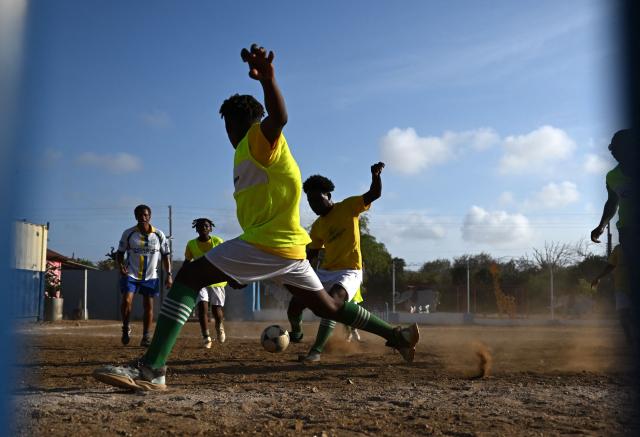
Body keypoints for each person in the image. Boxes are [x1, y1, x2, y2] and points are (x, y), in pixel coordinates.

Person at [93, 44, 419, 391]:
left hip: (270, 242)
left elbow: (278, 119)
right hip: (287, 247)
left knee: (190, 275)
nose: (226, 133)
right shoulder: (247, 153)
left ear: (234, 123)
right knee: (327, 306)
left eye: (226, 125)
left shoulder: (256, 139)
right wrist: (239, 268)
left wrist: (268, 79)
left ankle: (152, 368)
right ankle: (396, 335)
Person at [288, 163, 385, 362]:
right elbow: (312, 255)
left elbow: (374, 193)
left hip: (349, 271)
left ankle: (315, 352)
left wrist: (375, 176)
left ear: (329, 196)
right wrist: (302, 277)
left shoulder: (348, 207)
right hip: (326, 272)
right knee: (296, 301)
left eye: (316, 200)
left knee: (333, 301)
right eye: (309, 202)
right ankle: (296, 333)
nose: (313, 205)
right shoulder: (317, 226)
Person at [116, 204, 172, 347]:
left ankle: (146, 336)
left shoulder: (159, 234)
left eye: (145, 215)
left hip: (150, 276)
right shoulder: (128, 233)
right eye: (140, 215)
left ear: (150, 216)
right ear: (135, 216)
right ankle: (126, 327)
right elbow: (120, 253)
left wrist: (169, 274)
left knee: (148, 305)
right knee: (127, 301)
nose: (143, 217)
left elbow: (166, 256)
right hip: (131, 274)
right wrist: (120, 265)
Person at [184, 218, 228, 348]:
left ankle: (219, 326)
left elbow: (224, 259)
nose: (203, 228)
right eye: (200, 226)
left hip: (217, 280)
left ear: (210, 228)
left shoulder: (218, 242)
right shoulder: (191, 244)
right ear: (196, 229)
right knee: (202, 307)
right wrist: (182, 276)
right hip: (200, 279)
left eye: (206, 226)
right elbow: (187, 262)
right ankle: (206, 337)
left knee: (216, 309)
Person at [591, 129, 634, 247]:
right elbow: (612, 202)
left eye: (617, 148)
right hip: (627, 231)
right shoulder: (612, 176)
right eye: (612, 148)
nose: (613, 152)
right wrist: (602, 226)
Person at [592, 244, 632, 344]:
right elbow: (610, 266)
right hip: (621, 287)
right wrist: (598, 277)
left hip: (633, 287)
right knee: (623, 315)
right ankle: (629, 338)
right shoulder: (618, 249)